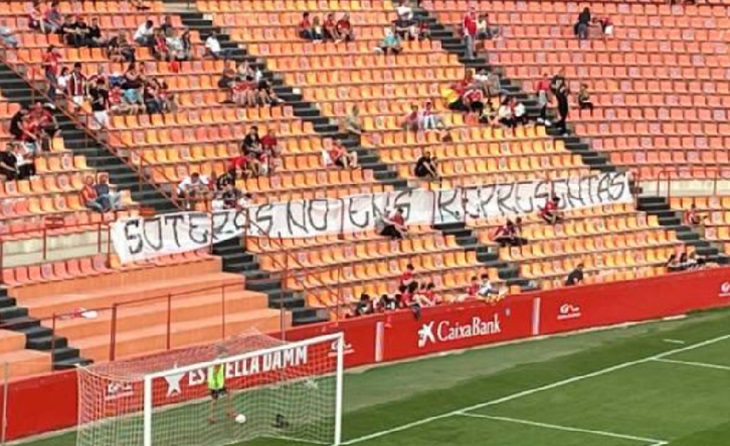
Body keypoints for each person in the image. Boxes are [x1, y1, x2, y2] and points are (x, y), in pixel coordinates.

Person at [208, 348, 236, 424]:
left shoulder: (216, 361)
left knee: (216, 399)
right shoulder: (219, 362)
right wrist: (217, 382)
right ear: (221, 354)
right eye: (225, 354)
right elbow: (214, 372)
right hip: (217, 384)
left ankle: (212, 416)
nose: (226, 355)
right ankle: (229, 411)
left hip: (213, 384)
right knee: (229, 395)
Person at [551, 69, 569, 135]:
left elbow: (566, 88)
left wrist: (566, 90)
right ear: (560, 72)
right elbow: (552, 86)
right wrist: (558, 88)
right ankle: (562, 129)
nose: (564, 75)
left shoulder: (563, 79)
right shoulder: (555, 78)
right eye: (563, 73)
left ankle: (558, 124)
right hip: (559, 96)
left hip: (563, 97)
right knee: (562, 112)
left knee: (565, 112)